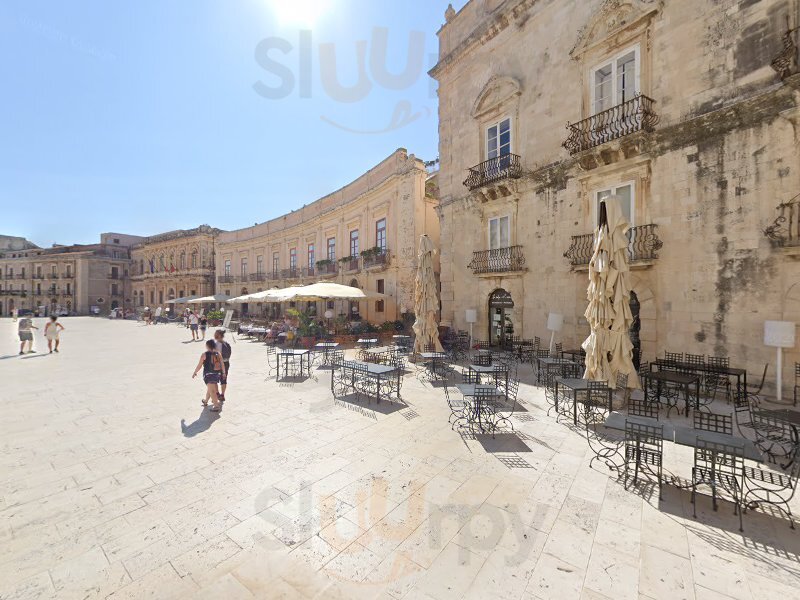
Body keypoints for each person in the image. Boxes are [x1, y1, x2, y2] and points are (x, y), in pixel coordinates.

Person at [192, 340, 225, 412]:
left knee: (212, 390)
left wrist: (195, 372)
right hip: (217, 374)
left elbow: (200, 365)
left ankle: (216, 406)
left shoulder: (204, 354)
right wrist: (223, 373)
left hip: (208, 374)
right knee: (210, 388)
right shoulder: (218, 353)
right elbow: (222, 364)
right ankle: (205, 401)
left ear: (207, 346)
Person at [214, 329, 232, 402]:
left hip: (218, 364)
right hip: (226, 363)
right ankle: (222, 395)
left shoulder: (216, 344)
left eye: (215, 334)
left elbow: (214, 356)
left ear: (218, 335)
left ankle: (217, 394)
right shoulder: (227, 344)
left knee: (214, 380)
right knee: (224, 379)